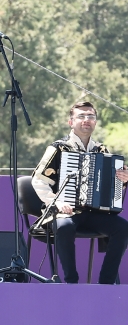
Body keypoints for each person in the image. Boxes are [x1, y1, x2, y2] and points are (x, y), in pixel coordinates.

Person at [31, 101, 128, 284]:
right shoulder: (58, 148)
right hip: (63, 212)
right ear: (71, 122)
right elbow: (38, 180)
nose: (86, 120)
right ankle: (71, 281)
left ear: (95, 122)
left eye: (91, 116)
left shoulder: (101, 150)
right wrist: (57, 201)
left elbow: (111, 187)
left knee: (122, 228)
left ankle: (106, 283)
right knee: (65, 227)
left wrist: (123, 180)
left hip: (93, 212)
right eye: (81, 116)